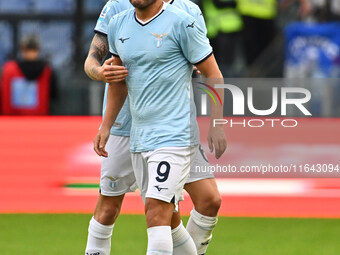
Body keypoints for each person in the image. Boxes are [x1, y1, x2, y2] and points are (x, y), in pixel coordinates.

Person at [84, 0, 225, 254]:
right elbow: (111, 73)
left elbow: (209, 70)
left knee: (166, 210)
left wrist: (217, 122)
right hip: (132, 132)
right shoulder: (118, 18)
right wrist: (105, 122)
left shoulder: (185, 16)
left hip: (175, 133)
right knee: (156, 215)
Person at [0, 34, 57, 115]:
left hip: (11, 122)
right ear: (38, 50)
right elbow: (53, 97)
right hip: (40, 121)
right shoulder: (47, 71)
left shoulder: (8, 70)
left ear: (22, 50)